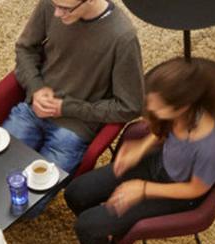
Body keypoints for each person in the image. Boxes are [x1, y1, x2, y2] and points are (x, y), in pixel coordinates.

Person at [63, 58, 215, 244]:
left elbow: (196, 189)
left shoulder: (211, 147)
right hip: (158, 163)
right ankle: (108, 235)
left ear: (183, 106)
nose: (150, 107)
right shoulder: (184, 113)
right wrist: (140, 148)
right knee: (76, 193)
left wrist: (142, 189)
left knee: (87, 226)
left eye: (159, 104)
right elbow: (162, 129)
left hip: (179, 195)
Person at [7, 0, 143, 172]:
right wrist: (36, 88)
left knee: (36, 192)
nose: (56, 13)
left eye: (65, 9)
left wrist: (66, 108)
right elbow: (25, 48)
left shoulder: (123, 38)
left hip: (74, 129)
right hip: (32, 109)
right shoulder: (53, 3)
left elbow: (130, 106)